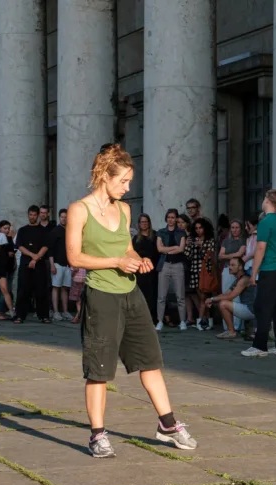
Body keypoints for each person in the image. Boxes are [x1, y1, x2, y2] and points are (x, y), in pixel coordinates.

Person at [66, 143, 197, 458]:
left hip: (131, 294)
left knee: (150, 362)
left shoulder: (123, 210)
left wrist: (138, 259)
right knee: (99, 370)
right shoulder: (79, 210)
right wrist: (116, 262)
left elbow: (126, 248)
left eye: (129, 182)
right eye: (123, 181)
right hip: (101, 297)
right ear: (104, 176)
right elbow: (74, 257)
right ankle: (98, 435)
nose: (127, 188)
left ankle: (167, 425)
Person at [242, 190, 276, 357]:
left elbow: (261, 248)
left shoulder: (265, 222)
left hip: (269, 268)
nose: (262, 201)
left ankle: (260, 346)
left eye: (264, 198)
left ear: (268, 201)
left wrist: (253, 273)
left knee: (262, 306)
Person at [14, 205, 51, 324]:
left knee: (41, 290)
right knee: (23, 290)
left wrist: (36, 259)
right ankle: (20, 316)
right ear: (28, 215)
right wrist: (32, 256)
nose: (32, 217)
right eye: (31, 215)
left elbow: (45, 246)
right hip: (25, 263)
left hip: (39, 264)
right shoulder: (22, 230)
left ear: (38, 216)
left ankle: (43, 316)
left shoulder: (44, 231)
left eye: (35, 215)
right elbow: (20, 246)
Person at [207, 257, 255, 339]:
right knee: (222, 301)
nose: (229, 267)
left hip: (252, 310)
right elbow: (225, 294)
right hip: (247, 309)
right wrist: (212, 299)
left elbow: (231, 296)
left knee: (223, 304)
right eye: (229, 265)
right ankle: (230, 331)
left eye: (233, 265)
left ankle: (232, 332)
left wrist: (211, 299)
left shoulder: (244, 279)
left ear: (240, 267)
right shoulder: (238, 280)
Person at [155, 209, 187, 331]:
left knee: (180, 295)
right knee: (161, 295)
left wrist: (167, 249)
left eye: (173, 217)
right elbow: (159, 249)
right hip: (165, 264)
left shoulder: (181, 232)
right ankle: (160, 321)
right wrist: (174, 247)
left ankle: (182, 321)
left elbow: (181, 249)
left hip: (177, 264)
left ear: (176, 219)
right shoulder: (161, 232)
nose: (170, 219)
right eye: (168, 217)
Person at [184, 218, 217, 330]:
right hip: (195, 271)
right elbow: (188, 256)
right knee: (201, 297)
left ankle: (201, 321)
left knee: (204, 297)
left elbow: (208, 257)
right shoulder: (193, 239)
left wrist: (201, 246)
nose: (198, 230)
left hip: (206, 271)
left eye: (200, 228)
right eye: (196, 228)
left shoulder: (210, 240)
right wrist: (187, 245)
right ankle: (207, 320)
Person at [132, 213, 158, 324]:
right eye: (142, 222)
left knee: (153, 293)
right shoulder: (135, 238)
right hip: (140, 271)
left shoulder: (155, 236)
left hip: (153, 270)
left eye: (146, 221)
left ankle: (153, 317)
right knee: (141, 293)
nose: (144, 224)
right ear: (139, 224)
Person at [49, 209, 73, 321]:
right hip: (57, 264)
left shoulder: (70, 231)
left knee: (65, 288)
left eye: (66, 217)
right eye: (62, 217)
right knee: (56, 287)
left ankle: (65, 311)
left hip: (68, 265)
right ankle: (56, 311)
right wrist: (52, 265)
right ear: (59, 218)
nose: (64, 219)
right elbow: (51, 249)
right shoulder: (55, 231)